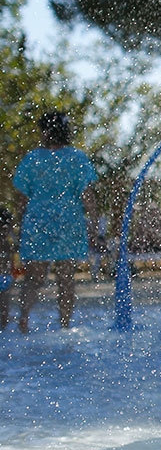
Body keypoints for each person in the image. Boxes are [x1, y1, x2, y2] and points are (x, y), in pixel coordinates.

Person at [13, 111, 100, 332]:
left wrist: (18, 227)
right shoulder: (77, 158)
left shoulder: (32, 159)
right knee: (66, 278)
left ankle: (23, 320)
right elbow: (88, 196)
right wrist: (93, 227)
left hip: (38, 221)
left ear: (45, 131)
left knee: (34, 277)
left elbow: (21, 199)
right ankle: (65, 326)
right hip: (68, 221)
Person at [0, 207, 14, 330]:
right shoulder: (6, 243)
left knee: (4, 304)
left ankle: (4, 326)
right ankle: (4, 326)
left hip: (5, 277)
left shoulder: (6, 244)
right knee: (4, 304)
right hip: (4, 278)